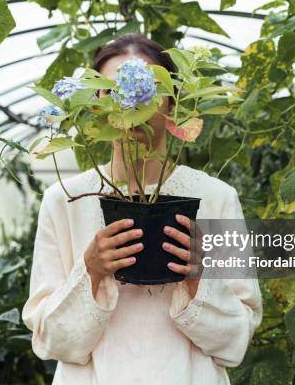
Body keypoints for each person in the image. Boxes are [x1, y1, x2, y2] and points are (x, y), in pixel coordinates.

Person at [21, 33, 263, 385]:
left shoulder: (214, 197)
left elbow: (236, 342)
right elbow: (51, 341)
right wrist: (91, 270)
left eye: (147, 91)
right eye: (111, 93)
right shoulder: (64, 200)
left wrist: (199, 277)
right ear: (94, 106)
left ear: (171, 103)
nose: (129, 106)